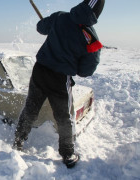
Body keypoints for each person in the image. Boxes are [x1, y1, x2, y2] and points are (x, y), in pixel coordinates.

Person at [13, 0, 105, 168]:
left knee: (31, 108)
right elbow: (87, 70)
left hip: (40, 71)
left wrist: (50, 25)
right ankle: (68, 153)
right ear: (96, 14)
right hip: (60, 78)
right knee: (64, 117)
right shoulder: (91, 38)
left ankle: (18, 141)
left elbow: (41, 27)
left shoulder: (61, 17)